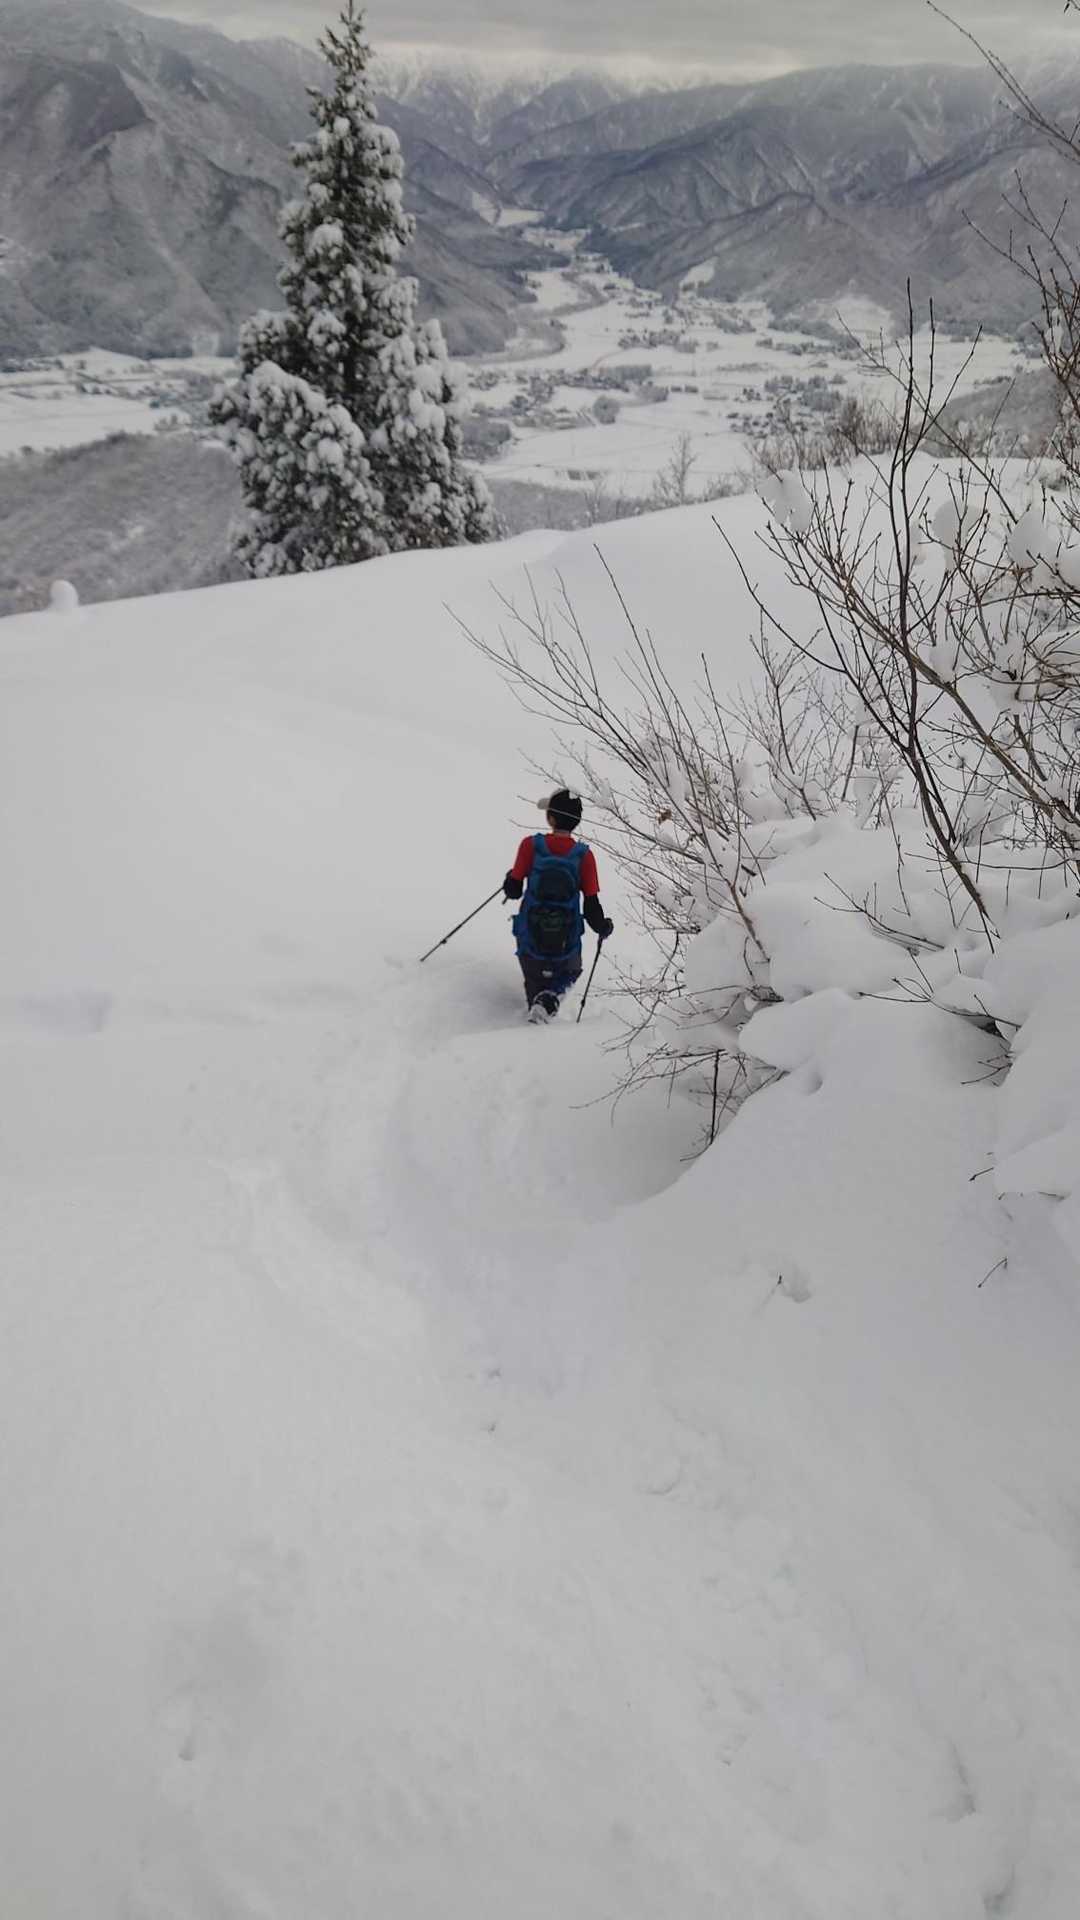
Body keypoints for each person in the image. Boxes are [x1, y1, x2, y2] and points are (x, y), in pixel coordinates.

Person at [502, 789, 614, 1020]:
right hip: (567, 940)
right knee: (570, 972)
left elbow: (513, 891)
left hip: (529, 937)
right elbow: (591, 905)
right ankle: (547, 1003)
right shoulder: (584, 856)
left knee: (535, 988)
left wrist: (510, 878)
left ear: (551, 818)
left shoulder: (530, 846)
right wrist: (603, 926)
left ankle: (538, 1009)